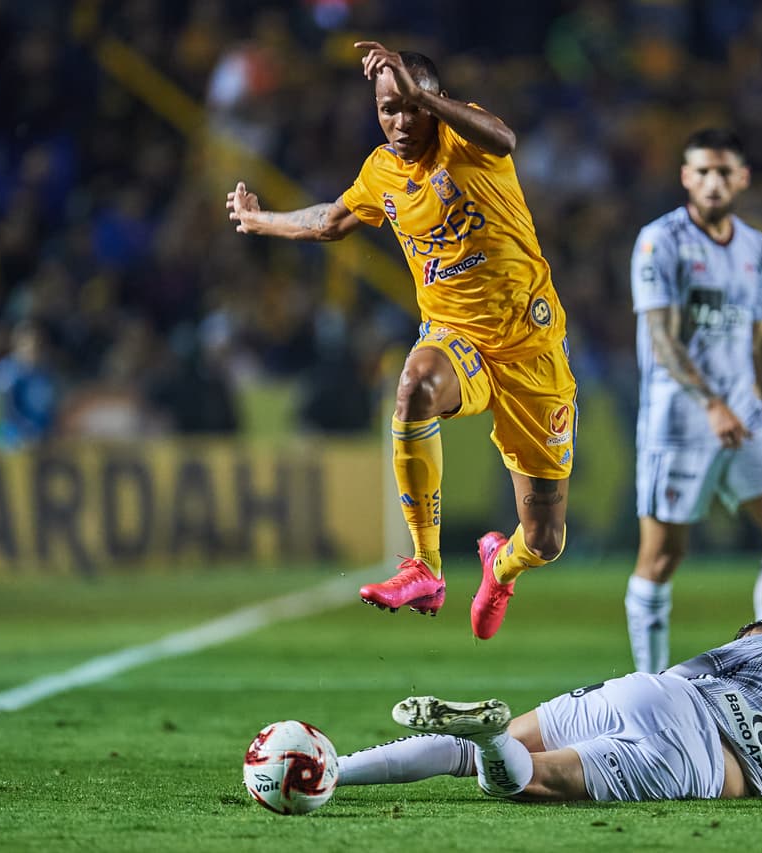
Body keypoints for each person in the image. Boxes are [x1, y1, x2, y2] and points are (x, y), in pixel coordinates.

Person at [225, 43, 576, 639]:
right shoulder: (381, 171)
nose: (401, 122)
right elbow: (332, 221)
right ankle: (426, 567)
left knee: (544, 538)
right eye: (389, 109)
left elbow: (506, 138)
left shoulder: (466, 140)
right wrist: (263, 221)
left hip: (531, 350)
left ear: (435, 105)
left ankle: (502, 566)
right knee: (413, 387)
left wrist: (424, 97)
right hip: (455, 335)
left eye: (411, 108)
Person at [625, 128, 762, 674]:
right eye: (702, 171)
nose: (713, 181)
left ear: (742, 178)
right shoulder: (660, 241)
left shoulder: (756, 247)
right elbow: (661, 338)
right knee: (662, 557)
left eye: (723, 171)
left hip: (744, 412)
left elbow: (761, 341)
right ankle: (649, 685)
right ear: (686, 177)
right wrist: (711, 403)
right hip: (681, 418)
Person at [334, 617, 762, 801]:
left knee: (467, 752)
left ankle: (335, 772)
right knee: (526, 779)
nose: (741, 639)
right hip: (701, 767)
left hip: (661, 697)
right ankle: (494, 742)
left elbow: (687, 672)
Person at [0, 321, 59, 451]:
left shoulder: (45, 372)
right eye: (27, 344)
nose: (32, 349)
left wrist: (48, 432)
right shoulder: (6, 371)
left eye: (37, 344)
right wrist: (28, 433)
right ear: (16, 344)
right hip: (13, 439)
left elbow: (49, 407)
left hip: (42, 439)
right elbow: (6, 411)